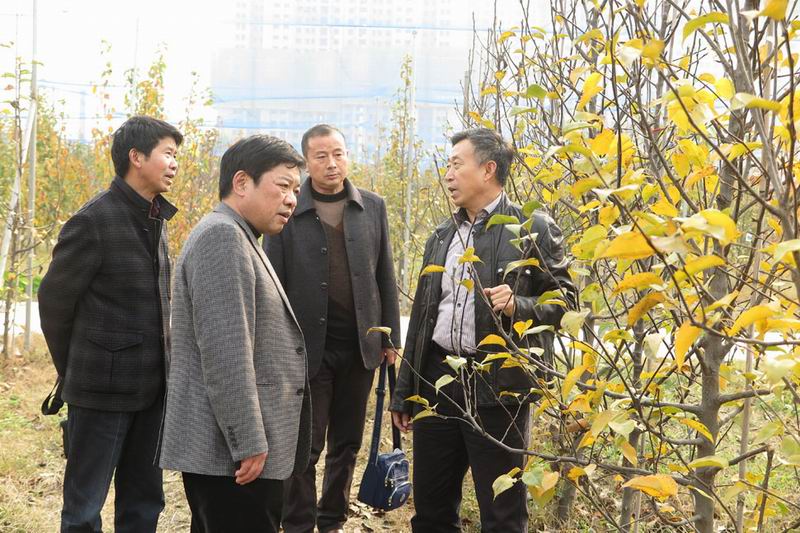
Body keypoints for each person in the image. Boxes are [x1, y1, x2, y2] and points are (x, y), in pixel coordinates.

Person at [389, 128, 577, 533]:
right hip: (437, 382)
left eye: (457, 164)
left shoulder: (531, 227)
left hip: (498, 385)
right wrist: (405, 391)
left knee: (502, 514)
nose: (448, 174)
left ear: (488, 169)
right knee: (431, 511)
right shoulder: (443, 235)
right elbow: (422, 318)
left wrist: (519, 305)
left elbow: (567, 303)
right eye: (448, 165)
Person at [159, 134, 311, 533]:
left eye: (296, 191)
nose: (291, 200)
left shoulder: (240, 235)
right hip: (232, 457)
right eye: (283, 186)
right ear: (241, 182)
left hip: (234, 455)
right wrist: (248, 441)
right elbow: (226, 352)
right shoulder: (222, 237)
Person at [38, 116, 183, 533]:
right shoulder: (94, 220)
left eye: (176, 156)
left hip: (153, 389)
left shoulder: (156, 217)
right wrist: (78, 366)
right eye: (168, 154)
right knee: (84, 507)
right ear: (136, 157)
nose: (174, 164)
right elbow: (54, 302)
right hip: (100, 392)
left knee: (144, 503)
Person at [265, 124, 401, 533]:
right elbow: (273, 281)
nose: (331, 163)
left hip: (361, 346)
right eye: (321, 156)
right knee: (306, 444)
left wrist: (390, 338)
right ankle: (298, 523)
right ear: (306, 162)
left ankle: (332, 520)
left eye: (338, 153)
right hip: (307, 349)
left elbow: (384, 275)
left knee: (347, 443)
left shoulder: (371, 206)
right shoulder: (289, 208)